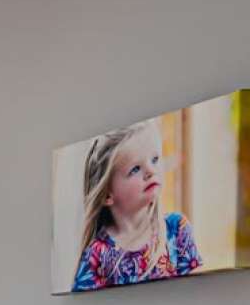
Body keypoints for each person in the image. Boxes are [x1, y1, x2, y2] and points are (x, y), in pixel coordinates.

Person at [72, 119, 201, 291]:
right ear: (107, 195)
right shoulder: (96, 255)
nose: (150, 171)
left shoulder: (177, 229)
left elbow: (198, 296)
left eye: (155, 159)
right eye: (135, 169)